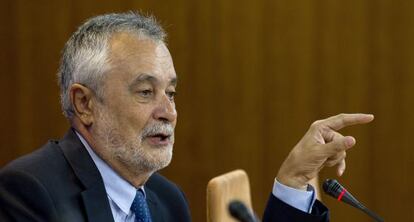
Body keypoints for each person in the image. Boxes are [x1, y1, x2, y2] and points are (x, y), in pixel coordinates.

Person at [0, 12, 374, 222]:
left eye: (171, 93)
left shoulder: (166, 202)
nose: (168, 112)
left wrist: (293, 181)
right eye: (146, 92)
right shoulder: (29, 192)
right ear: (84, 104)